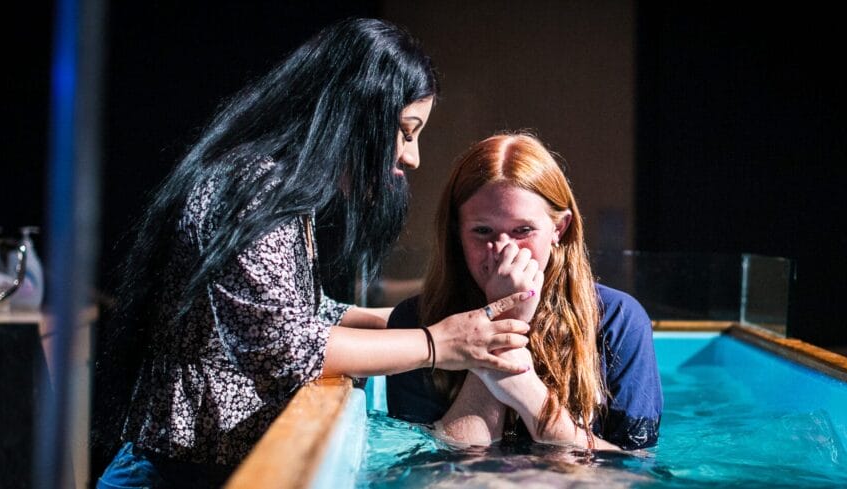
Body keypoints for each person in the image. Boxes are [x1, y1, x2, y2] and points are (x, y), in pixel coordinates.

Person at [94, 18, 536, 488]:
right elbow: (284, 348)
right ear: (357, 115)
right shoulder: (253, 190)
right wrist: (438, 344)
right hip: (172, 476)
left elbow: (298, 314)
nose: (412, 157)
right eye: (406, 131)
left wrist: (411, 318)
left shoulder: (276, 191)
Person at [386, 132, 662, 451]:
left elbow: (632, 471)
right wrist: (501, 326)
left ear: (559, 229)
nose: (503, 250)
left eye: (523, 230)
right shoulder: (415, 323)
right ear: (456, 233)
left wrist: (527, 392)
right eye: (482, 231)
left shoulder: (619, 320)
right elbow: (440, 472)